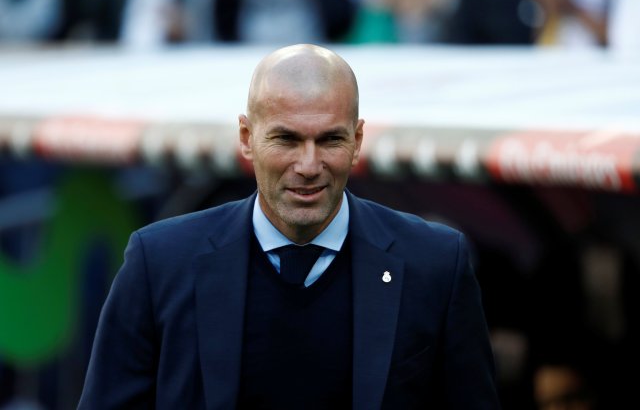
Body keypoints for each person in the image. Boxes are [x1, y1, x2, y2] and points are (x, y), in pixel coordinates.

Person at [77, 44, 500, 409]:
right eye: (287, 139)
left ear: (357, 141)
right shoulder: (160, 264)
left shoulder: (435, 264)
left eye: (330, 140)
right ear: (246, 137)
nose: (309, 165)